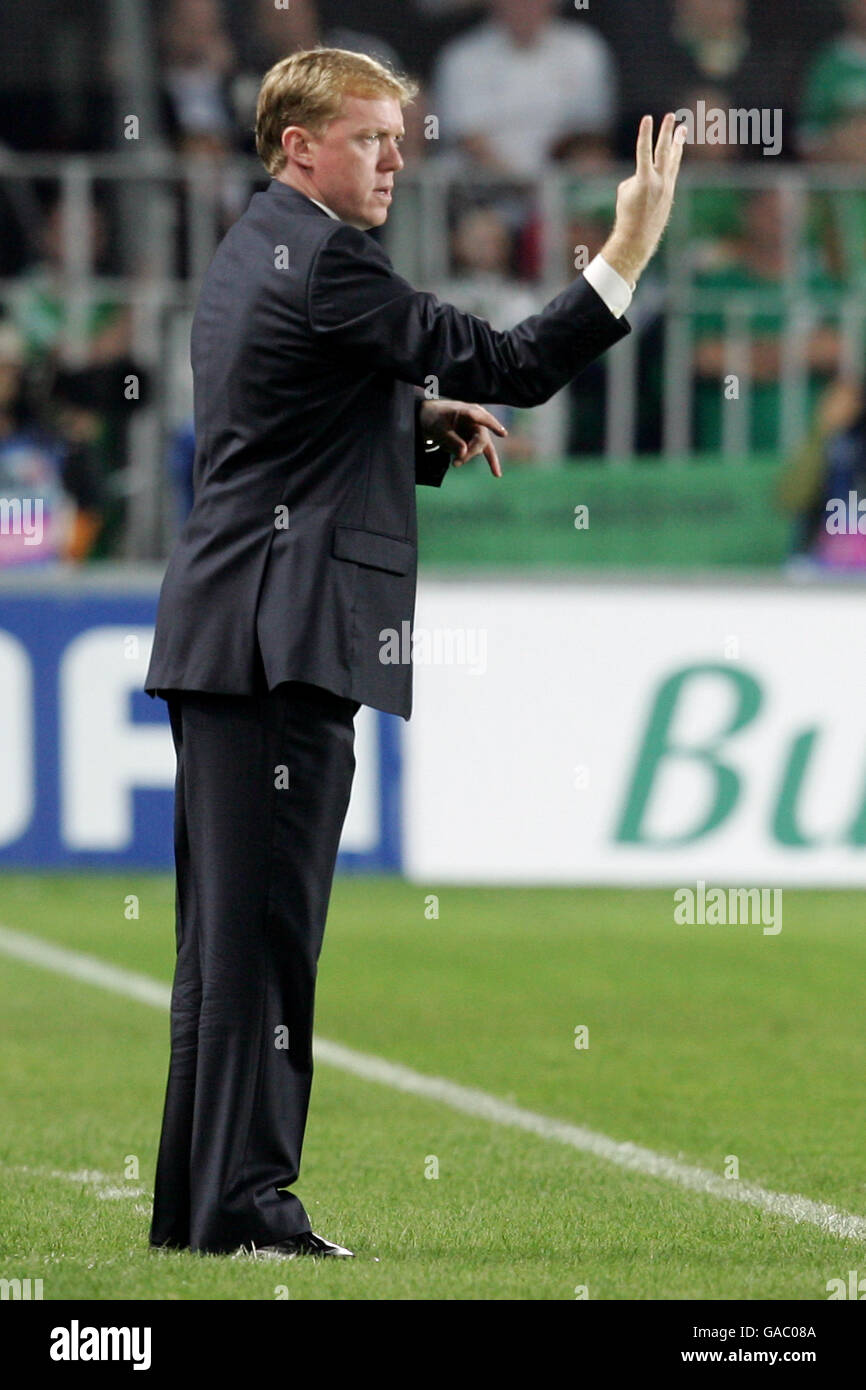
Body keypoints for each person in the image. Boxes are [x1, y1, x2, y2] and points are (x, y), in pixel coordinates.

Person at [144, 46, 685, 1259]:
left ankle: (198, 1209)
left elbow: (287, 410)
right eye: (372, 136)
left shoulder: (256, 245)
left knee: (225, 945)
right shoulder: (330, 257)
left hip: (231, 630)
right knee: (267, 941)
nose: (397, 157)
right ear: (299, 145)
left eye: (400, 135)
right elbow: (506, 362)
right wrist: (626, 252)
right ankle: (247, 1208)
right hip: (281, 641)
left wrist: (409, 417)